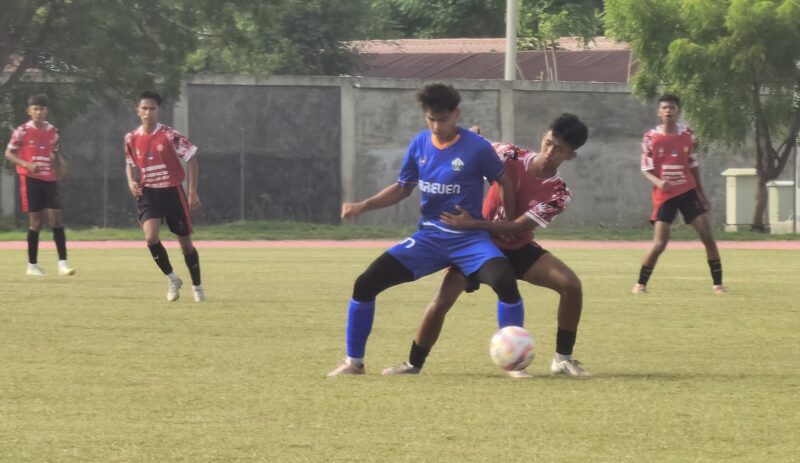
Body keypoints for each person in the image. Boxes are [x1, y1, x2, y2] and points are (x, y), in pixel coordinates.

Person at [327, 83, 526, 376]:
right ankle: (354, 362)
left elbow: (504, 183)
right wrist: (363, 205)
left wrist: (506, 224)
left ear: (456, 114)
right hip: (430, 238)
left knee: (505, 282)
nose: (436, 126)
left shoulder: (477, 147)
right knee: (365, 283)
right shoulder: (420, 143)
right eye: (431, 119)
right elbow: (402, 188)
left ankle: (514, 364)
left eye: (443, 119)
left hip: (469, 240)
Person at [382, 114, 591, 378]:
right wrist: (472, 135)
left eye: (559, 149)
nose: (550, 152)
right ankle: (413, 364)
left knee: (570, 285)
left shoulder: (559, 193)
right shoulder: (507, 154)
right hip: (477, 245)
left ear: (571, 155)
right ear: (543, 136)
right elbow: (473, 145)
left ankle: (562, 360)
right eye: (549, 142)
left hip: (515, 248)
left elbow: (517, 227)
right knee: (442, 301)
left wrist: (472, 224)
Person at [632, 94, 725, 295]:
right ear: (659, 112)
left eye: (672, 107)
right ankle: (640, 284)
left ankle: (718, 285)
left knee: (707, 237)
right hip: (664, 196)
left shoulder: (688, 135)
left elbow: (693, 165)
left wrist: (702, 193)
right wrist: (659, 182)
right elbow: (646, 168)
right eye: (664, 107)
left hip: (687, 191)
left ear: (678, 111)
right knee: (659, 244)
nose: (668, 111)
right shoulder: (650, 137)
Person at [124, 90, 205, 302]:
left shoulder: (170, 135)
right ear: (137, 111)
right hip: (148, 193)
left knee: (185, 244)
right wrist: (131, 180)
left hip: (172, 192)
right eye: (144, 108)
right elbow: (130, 163)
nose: (148, 113)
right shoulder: (131, 138)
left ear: (158, 111)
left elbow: (192, 158)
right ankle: (172, 278)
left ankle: (197, 287)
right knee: (150, 238)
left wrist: (192, 191)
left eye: (152, 108)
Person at [5, 94, 75, 276]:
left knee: (56, 220)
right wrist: (26, 164)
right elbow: (9, 153)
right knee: (36, 223)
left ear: (46, 111)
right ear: (29, 111)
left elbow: (55, 154)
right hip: (30, 180)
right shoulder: (21, 131)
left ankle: (63, 264)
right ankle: (32, 265)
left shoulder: (53, 131)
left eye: (42, 108)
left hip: (49, 179)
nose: (39, 112)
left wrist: (62, 169)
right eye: (35, 108)